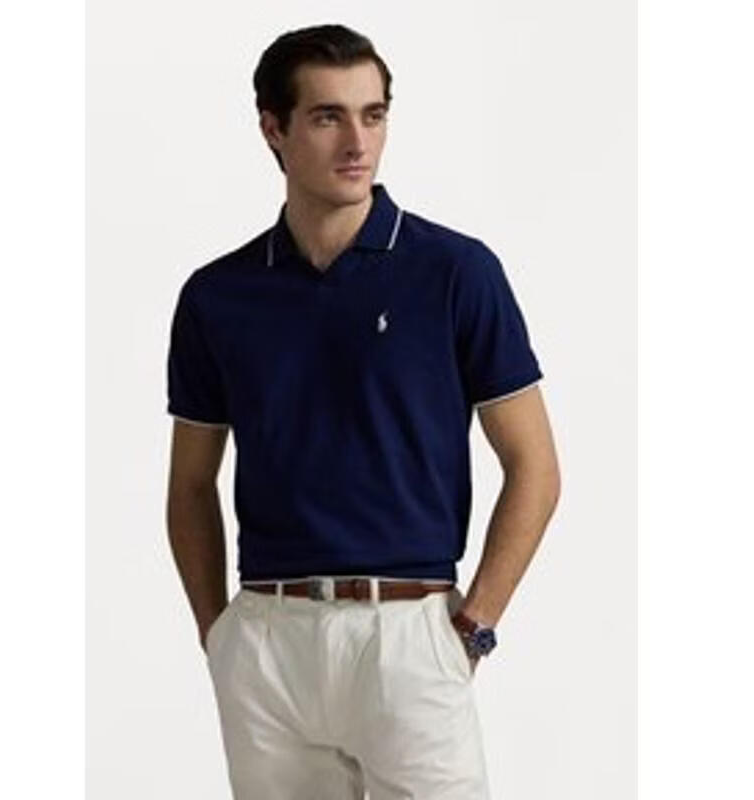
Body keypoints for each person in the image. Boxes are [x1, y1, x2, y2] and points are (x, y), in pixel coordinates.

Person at [165, 23, 560, 800]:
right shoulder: (218, 296)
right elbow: (189, 484)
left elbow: (536, 468)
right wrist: (222, 638)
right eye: (327, 117)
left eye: (373, 115)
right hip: (269, 641)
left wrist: (473, 625)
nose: (357, 142)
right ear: (273, 128)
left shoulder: (456, 272)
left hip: (410, 634)